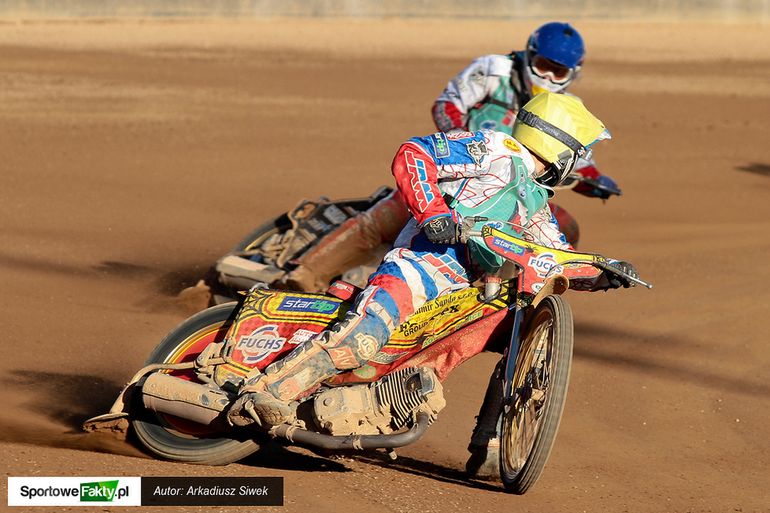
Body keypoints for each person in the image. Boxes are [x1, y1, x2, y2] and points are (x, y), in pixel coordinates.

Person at [227, 93, 637, 471]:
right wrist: (433, 213)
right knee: (364, 337)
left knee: (518, 330)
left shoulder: (536, 202)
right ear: (560, 147)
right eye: (580, 152)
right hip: (419, 267)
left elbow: (554, 257)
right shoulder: (496, 148)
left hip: (466, 294)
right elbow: (415, 152)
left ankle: (492, 445)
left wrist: (600, 273)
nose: (580, 163)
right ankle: (267, 391)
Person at [432, 21, 621, 241]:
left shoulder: (569, 107)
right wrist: (461, 139)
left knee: (567, 228)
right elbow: (447, 105)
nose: (548, 77)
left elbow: (574, 158)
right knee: (398, 207)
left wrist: (594, 180)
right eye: (543, 66)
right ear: (530, 56)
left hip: (519, 192)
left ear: (572, 73)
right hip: (465, 170)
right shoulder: (494, 69)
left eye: (558, 72)